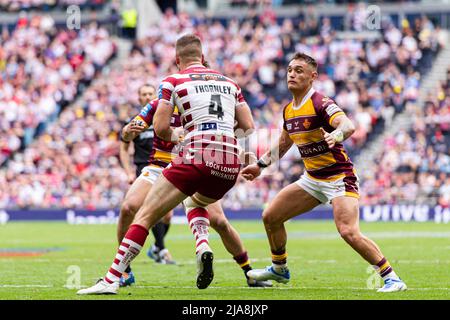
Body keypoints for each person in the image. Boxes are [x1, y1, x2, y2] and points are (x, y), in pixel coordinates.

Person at [77, 34, 258, 295]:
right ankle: (204, 246)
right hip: (228, 160)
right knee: (198, 206)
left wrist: (180, 137)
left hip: (192, 157)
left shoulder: (173, 82)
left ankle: (113, 278)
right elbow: (248, 127)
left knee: (145, 216)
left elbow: (161, 129)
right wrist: (249, 158)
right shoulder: (230, 83)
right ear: (204, 58)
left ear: (176, 60)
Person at [241, 52, 407, 293]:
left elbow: (348, 125)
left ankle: (392, 278)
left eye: (299, 70)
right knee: (271, 216)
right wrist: (260, 165)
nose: (292, 74)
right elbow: (284, 144)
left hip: (339, 178)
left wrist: (336, 134)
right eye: (290, 70)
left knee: (348, 231)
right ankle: (279, 269)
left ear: (312, 76)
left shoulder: (320, 103)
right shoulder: (289, 110)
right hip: (313, 179)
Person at [119, 94, 271, 288]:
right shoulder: (158, 104)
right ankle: (124, 271)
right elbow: (127, 134)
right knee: (128, 208)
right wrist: (128, 131)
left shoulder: (205, 105)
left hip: (193, 163)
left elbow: (219, 139)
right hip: (161, 165)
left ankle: (248, 271)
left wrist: (242, 155)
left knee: (220, 222)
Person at [118, 84, 175, 289]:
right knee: (132, 209)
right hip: (145, 170)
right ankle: (126, 266)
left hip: (168, 168)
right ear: (139, 97)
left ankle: (158, 247)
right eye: (144, 94)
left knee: (165, 216)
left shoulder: (169, 116)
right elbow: (124, 146)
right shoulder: (139, 120)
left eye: (151, 93)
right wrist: (127, 172)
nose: (148, 96)